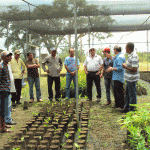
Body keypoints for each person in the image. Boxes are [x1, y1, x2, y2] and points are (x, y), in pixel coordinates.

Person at [121, 42, 139, 113]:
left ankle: (132, 110)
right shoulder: (130, 55)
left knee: (132, 94)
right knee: (127, 94)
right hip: (128, 78)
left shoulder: (134, 56)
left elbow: (135, 69)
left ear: (128, 48)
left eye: (126, 47)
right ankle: (126, 108)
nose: (125, 48)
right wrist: (126, 66)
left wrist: (125, 67)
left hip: (132, 79)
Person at [0, 51, 13, 133]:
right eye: (7, 56)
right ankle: (2, 128)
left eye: (10, 56)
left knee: (4, 109)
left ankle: (3, 124)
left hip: (6, 89)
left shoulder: (6, 65)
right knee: (2, 110)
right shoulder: (1, 67)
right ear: (3, 57)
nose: (9, 57)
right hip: (2, 91)